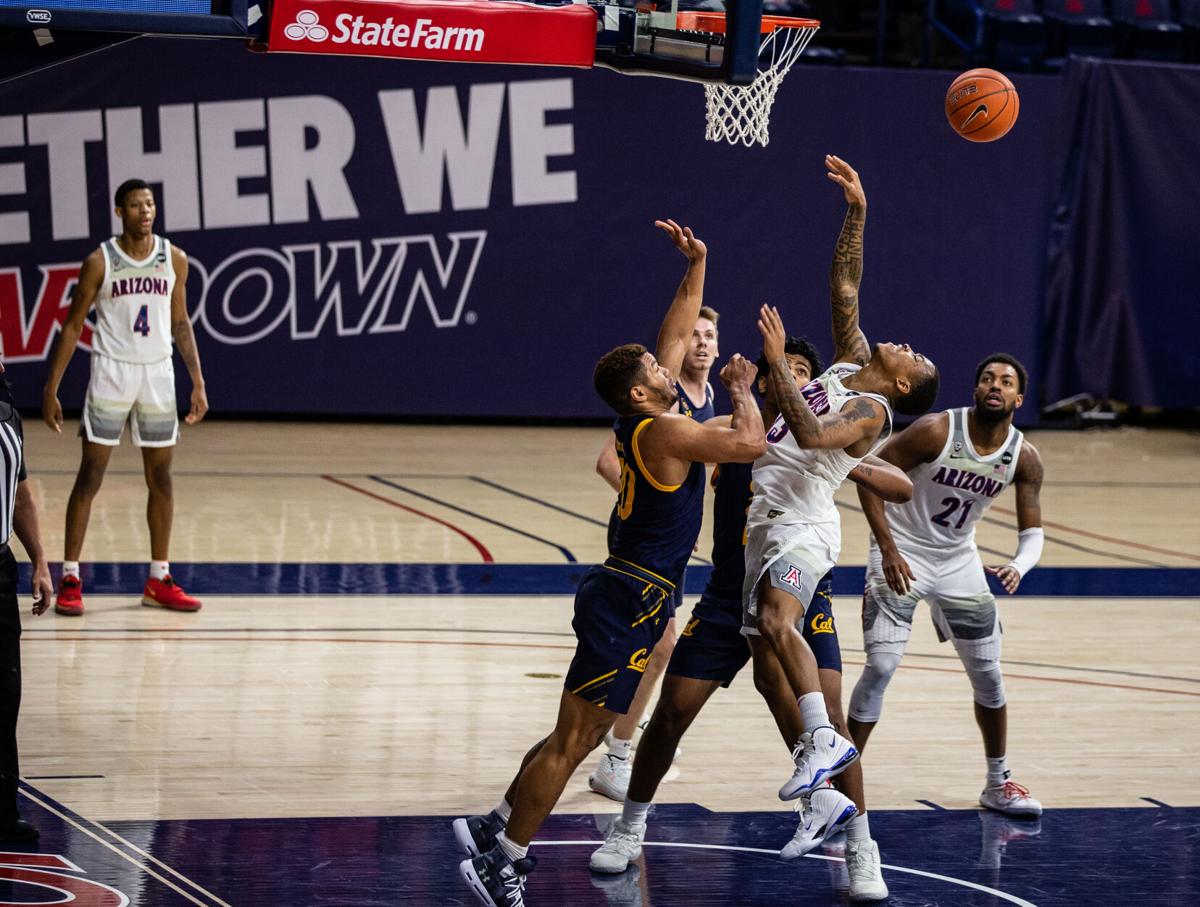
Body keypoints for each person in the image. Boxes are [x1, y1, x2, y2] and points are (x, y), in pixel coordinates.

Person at [453, 220, 767, 907]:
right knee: (576, 739)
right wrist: (745, 386)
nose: (671, 363)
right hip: (631, 594)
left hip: (629, 588)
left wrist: (698, 263)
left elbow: (676, 333)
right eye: (657, 371)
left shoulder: (650, 416)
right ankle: (503, 860)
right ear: (640, 392)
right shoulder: (666, 428)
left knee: (580, 728)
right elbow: (748, 445)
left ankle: (495, 824)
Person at [588, 337, 908, 902]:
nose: (797, 382)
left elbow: (900, 484)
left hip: (799, 588)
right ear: (764, 383)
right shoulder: (733, 428)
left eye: (806, 375)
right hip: (724, 594)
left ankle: (861, 845)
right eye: (786, 372)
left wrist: (849, 461)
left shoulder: (825, 436)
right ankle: (630, 826)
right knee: (670, 715)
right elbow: (629, 456)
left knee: (829, 719)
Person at [743, 155, 939, 813]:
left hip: (803, 526)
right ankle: (821, 788)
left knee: (777, 620)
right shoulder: (854, 361)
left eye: (914, 355)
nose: (905, 343)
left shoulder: (872, 410)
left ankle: (824, 737)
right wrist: (858, 210)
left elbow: (812, 436)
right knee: (765, 651)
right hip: (769, 519)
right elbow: (844, 284)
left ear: (903, 382)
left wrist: (779, 368)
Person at [847, 352, 1045, 818]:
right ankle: (836, 786)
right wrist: (888, 547)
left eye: (1006, 381)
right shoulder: (937, 430)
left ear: (1019, 397)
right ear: (976, 391)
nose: (995, 385)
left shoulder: (1024, 457)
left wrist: (1020, 564)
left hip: (959, 560)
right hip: (902, 550)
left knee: (990, 678)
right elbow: (868, 476)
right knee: (880, 667)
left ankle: (998, 783)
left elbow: (1032, 532)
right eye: (987, 378)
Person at [41, 179, 208, 615]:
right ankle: (71, 577)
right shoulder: (100, 261)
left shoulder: (174, 259)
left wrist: (198, 381)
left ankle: (158, 578)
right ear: (120, 212)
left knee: (162, 479)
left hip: (157, 373)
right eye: (136, 205)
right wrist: (51, 387)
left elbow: (181, 322)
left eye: (150, 204)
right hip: (112, 374)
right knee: (90, 476)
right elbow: (74, 325)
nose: (145, 211)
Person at [588, 306, 720, 801]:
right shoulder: (668, 401)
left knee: (657, 646)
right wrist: (655, 505)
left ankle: (624, 732)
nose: (701, 343)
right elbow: (607, 460)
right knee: (660, 644)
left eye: (711, 335)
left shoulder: (706, 401)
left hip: (669, 546)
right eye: (695, 336)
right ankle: (618, 753)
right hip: (643, 542)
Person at [0, 360, 54, 841]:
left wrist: (39, 559)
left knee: (5, 693)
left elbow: (18, 496)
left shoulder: (9, 418)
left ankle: (3, 807)